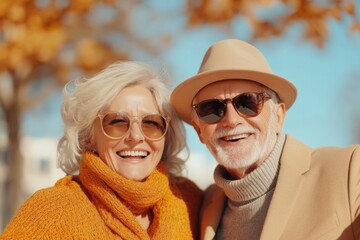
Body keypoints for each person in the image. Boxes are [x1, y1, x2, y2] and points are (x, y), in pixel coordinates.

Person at [170, 39, 360, 240]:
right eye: (211, 110)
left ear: (278, 117)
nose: (231, 120)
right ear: (199, 130)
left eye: (247, 103)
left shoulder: (350, 169)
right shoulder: (201, 206)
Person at [1, 61, 203, 239]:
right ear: (89, 136)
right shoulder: (50, 211)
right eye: (117, 122)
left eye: (150, 123)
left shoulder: (191, 201)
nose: (135, 136)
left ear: (166, 135)